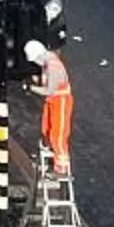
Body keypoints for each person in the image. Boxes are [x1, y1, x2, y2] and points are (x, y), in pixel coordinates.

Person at [27, 39, 74, 172]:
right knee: (46, 129)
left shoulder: (53, 67)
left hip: (61, 101)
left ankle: (61, 167)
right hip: (52, 100)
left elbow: (49, 90)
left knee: (58, 134)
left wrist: (31, 88)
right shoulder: (47, 64)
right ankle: (48, 161)